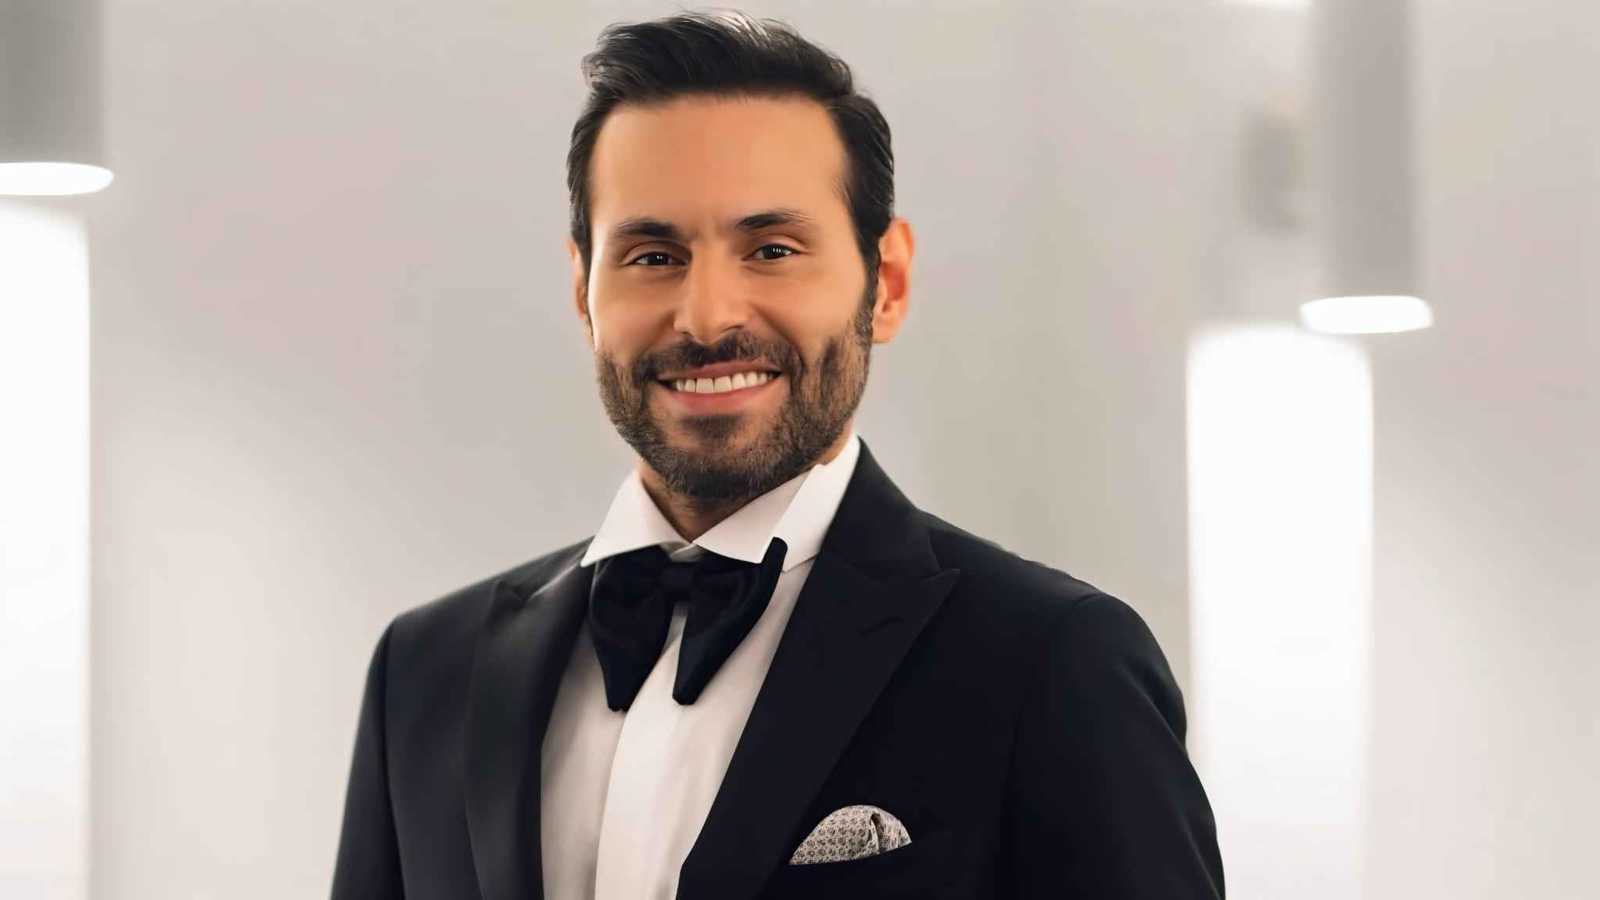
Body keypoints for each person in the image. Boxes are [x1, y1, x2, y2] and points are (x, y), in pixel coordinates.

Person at [332, 9, 1223, 899]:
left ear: (887, 284)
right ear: (583, 291)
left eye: (771, 249)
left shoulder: (1054, 662)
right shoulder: (424, 670)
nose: (707, 317)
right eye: (652, 255)